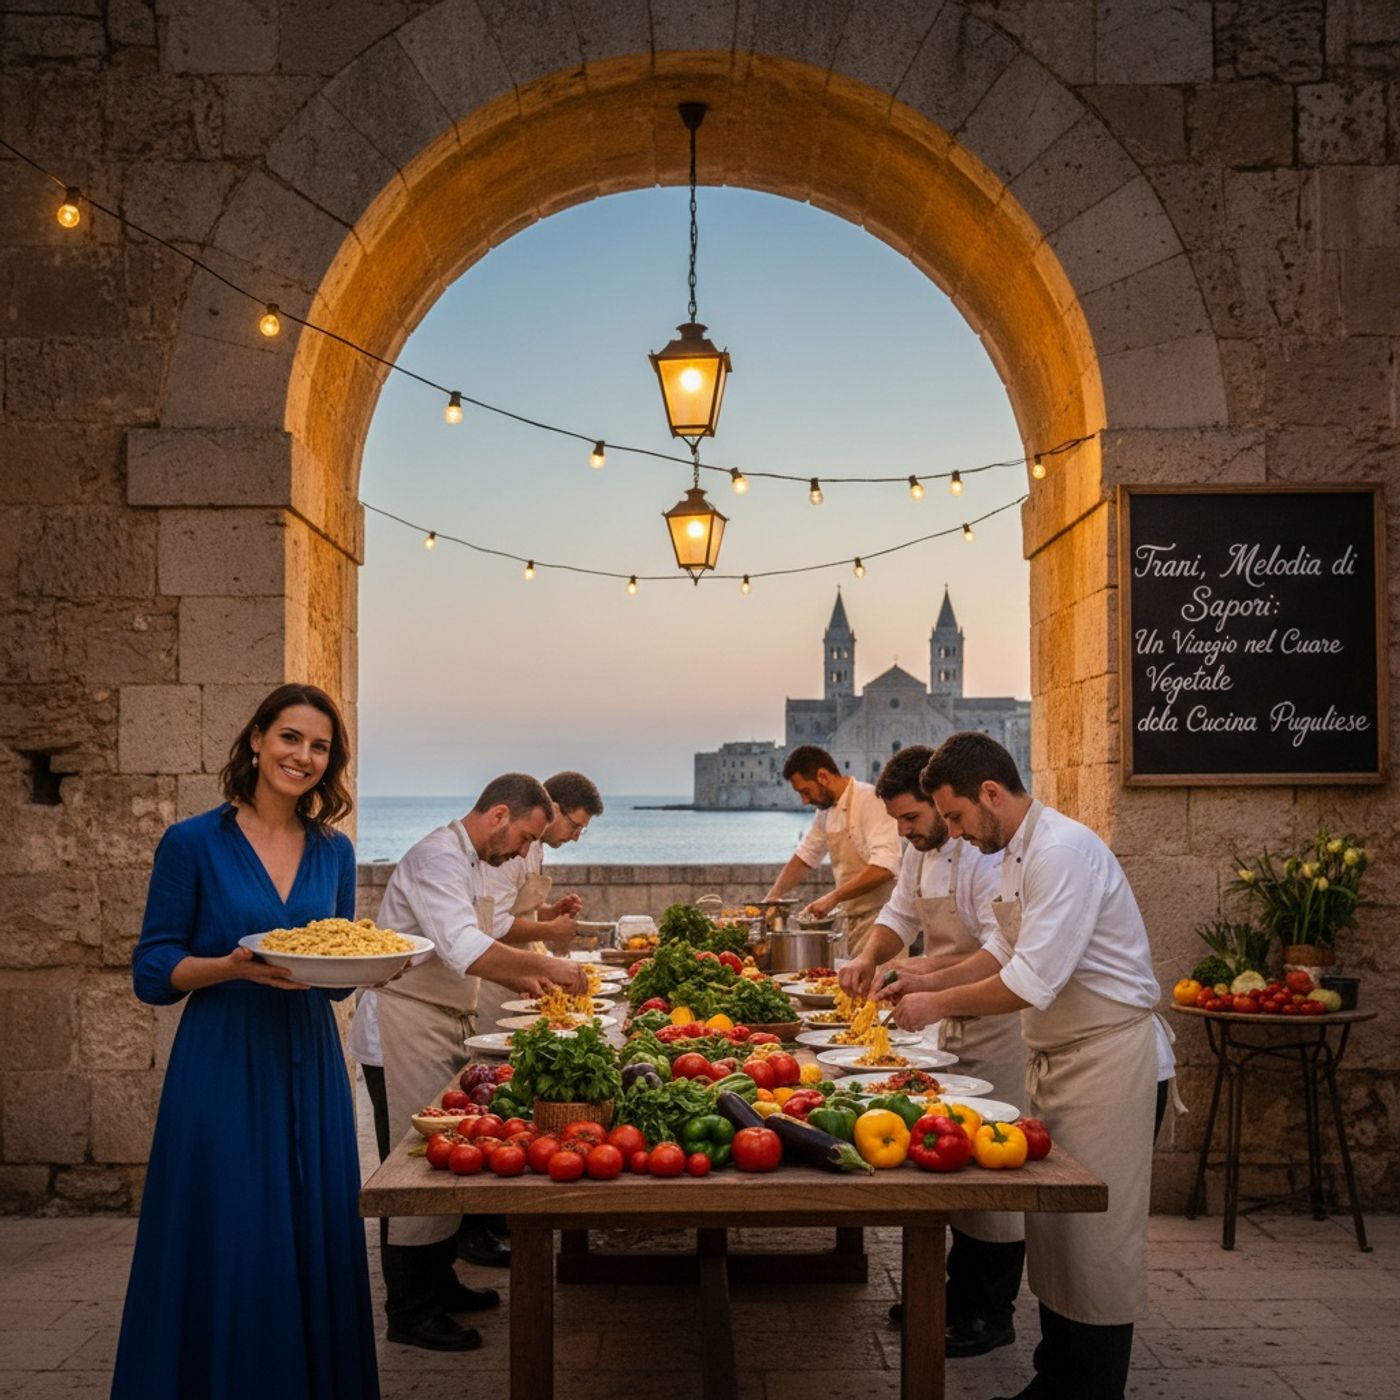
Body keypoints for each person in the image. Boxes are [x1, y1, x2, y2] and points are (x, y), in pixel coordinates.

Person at [879, 731, 1177, 1400]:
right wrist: (922, 984)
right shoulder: (1013, 852)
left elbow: (1029, 983)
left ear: (990, 792)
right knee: (1055, 1240)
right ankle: (1055, 1379)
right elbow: (997, 956)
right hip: (1061, 1061)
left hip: (1110, 1063)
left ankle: (1090, 1390)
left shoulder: (1063, 853)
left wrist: (932, 1005)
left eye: (955, 816)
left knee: (1096, 1248)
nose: (952, 831)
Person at [112, 684, 378, 1400]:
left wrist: (368, 966)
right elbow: (153, 970)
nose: (304, 756)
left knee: (311, 1226)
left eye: (320, 746)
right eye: (290, 737)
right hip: (223, 1058)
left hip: (310, 1060)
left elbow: (337, 975)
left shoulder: (335, 852)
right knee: (231, 1226)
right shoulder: (192, 842)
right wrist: (230, 966)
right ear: (257, 740)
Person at [357, 774, 587, 1352]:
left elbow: (487, 938)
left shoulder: (474, 860)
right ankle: (410, 1310)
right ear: (498, 814)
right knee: (414, 1169)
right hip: (404, 1021)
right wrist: (555, 970)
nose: (523, 851)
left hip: (443, 1020)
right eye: (525, 837)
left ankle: (441, 1282)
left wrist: (526, 972)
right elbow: (462, 946)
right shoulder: (437, 858)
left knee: (450, 1156)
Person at [838, 745, 1025, 1357]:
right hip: (952, 1026)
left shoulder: (979, 858)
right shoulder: (921, 856)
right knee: (956, 1169)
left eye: (914, 820)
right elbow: (897, 914)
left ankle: (989, 1313)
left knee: (993, 1182)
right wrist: (867, 956)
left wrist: (921, 980)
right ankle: (953, 1294)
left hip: (999, 1029)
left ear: (944, 808)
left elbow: (996, 951)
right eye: (897, 821)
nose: (906, 832)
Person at [762, 744, 901, 955]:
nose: (804, 800)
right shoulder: (825, 812)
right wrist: (772, 897)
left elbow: (886, 866)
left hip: (884, 919)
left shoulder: (871, 800)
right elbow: (806, 855)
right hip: (851, 920)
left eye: (806, 791)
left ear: (823, 776)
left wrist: (833, 897)